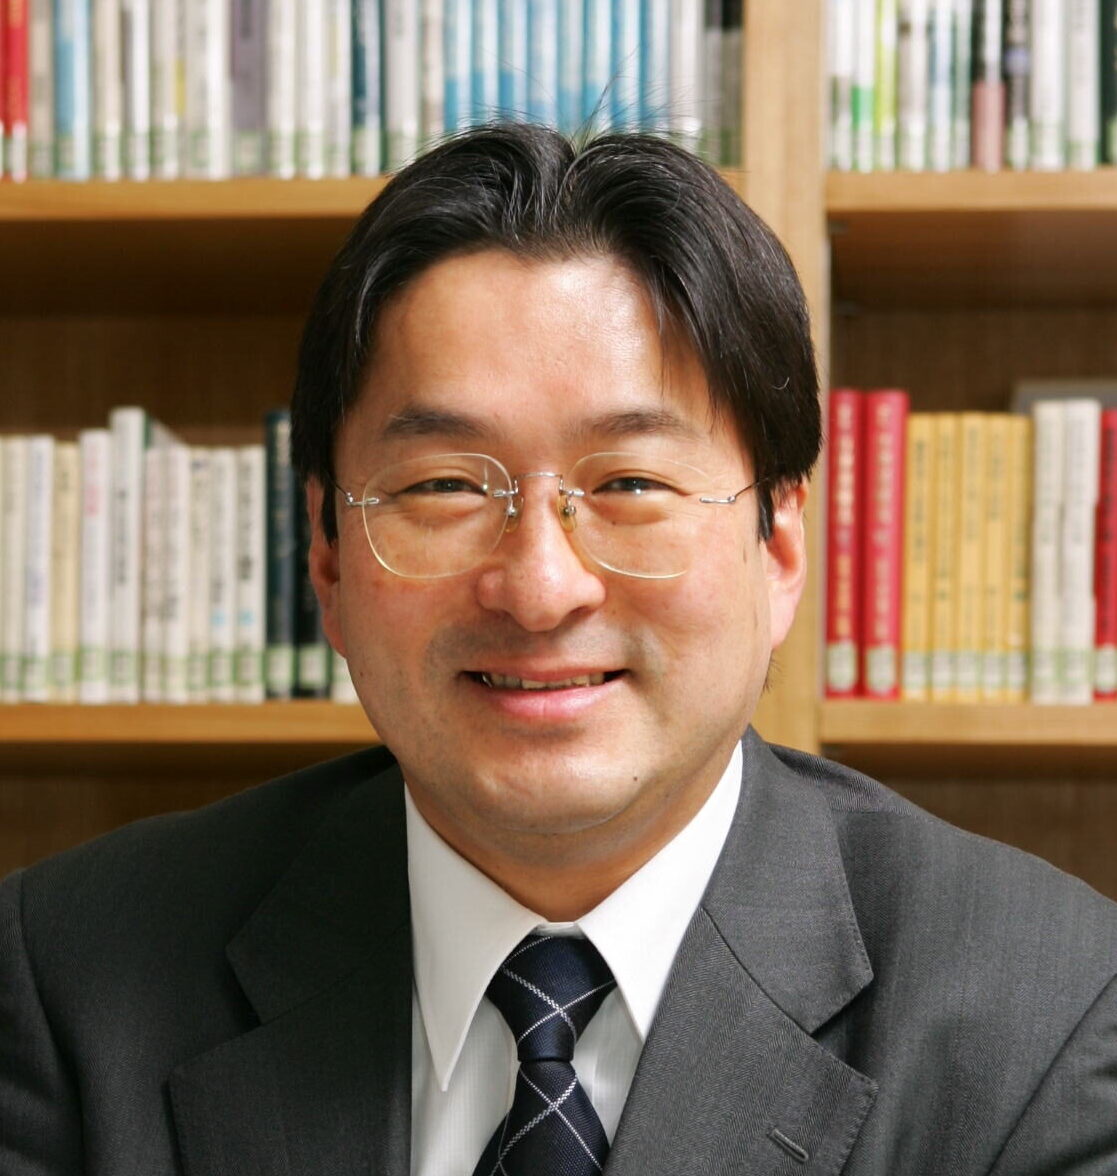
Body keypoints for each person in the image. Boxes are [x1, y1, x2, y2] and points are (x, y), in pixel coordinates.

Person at [2, 124, 1116, 1176]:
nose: (538, 589)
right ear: (327, 558)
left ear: (778, 544)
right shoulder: (69, 977)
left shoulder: (1049, 1018)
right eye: (445, 486)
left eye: (629, 482)